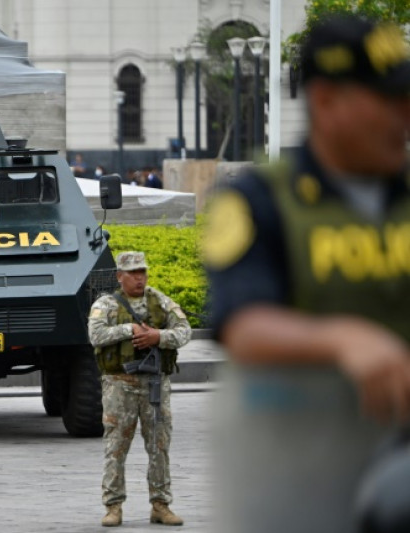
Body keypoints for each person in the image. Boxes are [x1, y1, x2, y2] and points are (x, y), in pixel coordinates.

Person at [202, 15, 410, 533]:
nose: (403, 116)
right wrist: (343, 339)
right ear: (326, 102)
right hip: (300, 468)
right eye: (387, 100)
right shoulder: (258, 199)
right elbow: (244, 326)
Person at [88, 251, 191, 527]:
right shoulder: (106, 304)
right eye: (133, 273)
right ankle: (113, 506)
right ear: (119, 276)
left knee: (159, 445)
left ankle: (161, 504)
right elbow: (95, 334)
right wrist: (130, 329)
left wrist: (159, 336)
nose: (139, 277)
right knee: (115, 447)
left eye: (142, 271)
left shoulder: (159, 301)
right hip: (119, 386)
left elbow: (184, 330)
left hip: (155, 385)